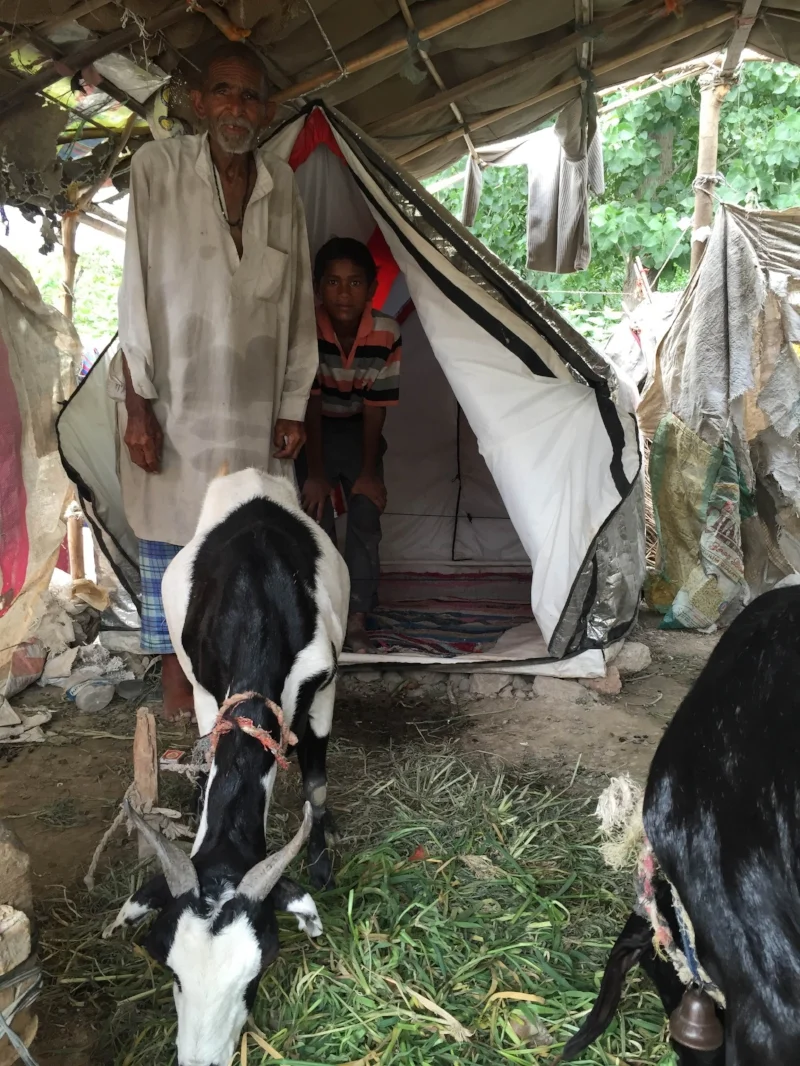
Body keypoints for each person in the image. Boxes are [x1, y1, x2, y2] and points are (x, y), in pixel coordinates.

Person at [111, 43, 318, 718]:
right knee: (176, 568)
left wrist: (293, 403)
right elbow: (135, 295)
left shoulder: (280, 184)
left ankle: (241, 717)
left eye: (251, 96)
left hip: (254, 423)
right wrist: (137, 407)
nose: (238, 107)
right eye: (224, 92)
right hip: (174, 415)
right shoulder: (157, 169)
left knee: (249, 564)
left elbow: (298, 305)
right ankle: (179, 720)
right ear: (198, 103)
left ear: (268, 109)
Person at [297, 237, 401, 652]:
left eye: (355, 283)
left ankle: (357, 615)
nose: (344, 293)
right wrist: (316, 475)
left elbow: (376, 408)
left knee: (364, 515)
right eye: (334, 283)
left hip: (361, 431)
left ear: (372, 288)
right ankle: (324, 614)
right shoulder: (305, 328)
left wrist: (369, 473)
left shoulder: (386, 332)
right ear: (318, 287)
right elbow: (310, 402)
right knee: (316, 520)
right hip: (312, 432)